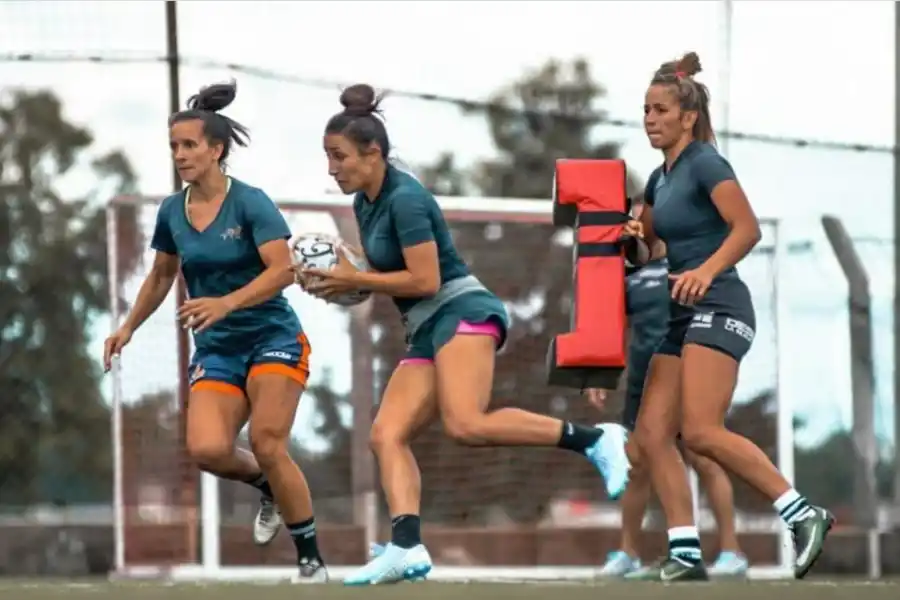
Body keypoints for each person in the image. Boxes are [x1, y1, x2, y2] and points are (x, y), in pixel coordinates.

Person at [299, 83, 631, 586]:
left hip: (463, 311)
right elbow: (382, 271)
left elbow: (426, 280)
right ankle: (407, 547)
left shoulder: (406, 199)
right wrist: (343, 279)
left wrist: (354, 279)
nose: (331, 167)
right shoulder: (367, 201)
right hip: (427, 326)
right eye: (327, 156)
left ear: (374, 153)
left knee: (467, 423)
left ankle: (595, 439)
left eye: (338, 156)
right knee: (386, 434)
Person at [102, 81, 327, 583]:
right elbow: (162, 274)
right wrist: (127, 327)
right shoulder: (171, 212)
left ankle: (310, 558)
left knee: (268, 441)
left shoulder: (251, 203)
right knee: (207, 450)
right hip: (219, 349)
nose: (180, 156)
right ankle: (268, 486)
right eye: (174, 147)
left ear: (216, 149)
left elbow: (283, 270)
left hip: (273, 337)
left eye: (189, 146)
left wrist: (226, 302)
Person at [620, 52, 833, 582]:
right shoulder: (658, 179)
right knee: (650, 435)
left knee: (701, 432)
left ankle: (803, 513)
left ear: (687, 117)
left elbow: (747, 229)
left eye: (660, 109)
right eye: (645, 109)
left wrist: (706, 271)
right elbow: (647, 251)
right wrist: (631, 242)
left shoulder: (706, 163)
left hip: (719, 305)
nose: (650, 118)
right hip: (681, 314)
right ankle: (686, 552)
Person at [591, 196, 747, 579]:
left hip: (686, 370)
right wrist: (600, 374)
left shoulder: (691, 264)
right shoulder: (630, 274)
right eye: (636, 215)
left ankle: (731, 552)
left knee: (703, 455)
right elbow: (616, 328)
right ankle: (628, 552)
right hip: (644, 381)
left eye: (647, 213)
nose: (640, 219)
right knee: (636, 463)